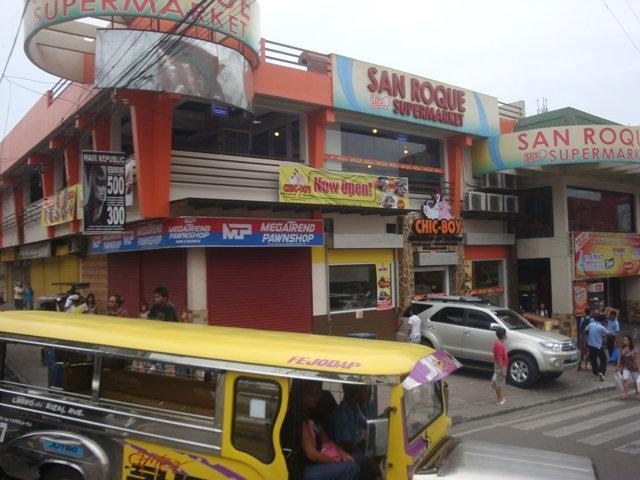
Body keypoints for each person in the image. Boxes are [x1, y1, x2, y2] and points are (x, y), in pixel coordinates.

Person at [301, 380, 359, 480]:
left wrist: (341, 452)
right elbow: (312, 454)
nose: (315, 397)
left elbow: (327, 441)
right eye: (310, 393)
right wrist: (337, 463)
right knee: (349, 469)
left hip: (320, 459)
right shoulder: (300, 419)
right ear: (301, 394)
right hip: (306, 467)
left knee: (359, 459)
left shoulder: (313, 415)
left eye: (317, 393)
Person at [330, 384, 376, 479]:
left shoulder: (355, 408)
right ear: (356, 393)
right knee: (368, 459)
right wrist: (367, 455)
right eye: (365, 390)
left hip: (358, 444)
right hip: (347, 451)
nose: (369, 393)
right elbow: (348, 444)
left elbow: (367, 424)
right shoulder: (341, 414)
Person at [584, 315, 609, 381]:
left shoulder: (591, 324)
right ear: (603, 321)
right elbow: (608, 334)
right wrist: (604, 340)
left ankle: (595, 373)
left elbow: (585, 331)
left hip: (590, 345)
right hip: (598, 346)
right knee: (603, 359)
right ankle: (601, 372)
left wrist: (588, 336)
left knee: (593, 359)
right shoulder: (602, 327)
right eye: (605, 321)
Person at [616, 335, 640, 400]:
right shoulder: (622, 348)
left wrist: (639, 368)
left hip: (634, 367)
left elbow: (637, 359)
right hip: (625, 367)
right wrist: (617, 366)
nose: (624, 341)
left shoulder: (635, 349)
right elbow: (619, 358)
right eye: (623, 340)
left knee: (636, 381)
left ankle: (638, 393)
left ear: (629, 341)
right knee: (625, 379)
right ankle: (625, 394)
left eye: (625, 340)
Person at [491, 327, 509, 406]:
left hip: (501, 365)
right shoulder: (499, 345)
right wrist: (502, 369)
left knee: (499, 382)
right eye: (505, 334)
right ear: (503, 335)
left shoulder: (498, 343)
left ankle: (500, 397)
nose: (506, 336)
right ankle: (499, 400)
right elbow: (499, 358)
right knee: (498, 383)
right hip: (500, 365)